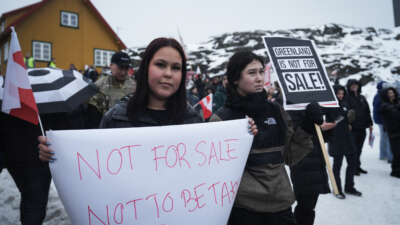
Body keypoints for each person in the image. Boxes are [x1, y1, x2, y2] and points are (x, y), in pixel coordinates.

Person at [210, 51, 317, 225]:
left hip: (281, 206)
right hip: (243, 210)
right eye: (252, 73)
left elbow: (289, 156)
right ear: (236, 78)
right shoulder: (222, 119)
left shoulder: (276, 110)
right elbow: (215, 174)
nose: (259, 78)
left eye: (261, 71)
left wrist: (306, 129)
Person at [327, 85, 361, 199]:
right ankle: (337, 189)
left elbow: (348, 117)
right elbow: (333, 120)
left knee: (352, 162)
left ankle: (349, 187)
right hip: (336, 138)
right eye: (338, 93)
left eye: (342, 93)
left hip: (347, 137)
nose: (340, 95)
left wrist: (350, 120)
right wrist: (344, 116)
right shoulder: (330, 104)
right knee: (337, 165)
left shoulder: (346, 102)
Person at [86, 51, 136, 128]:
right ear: (111, 66)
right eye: (120, 68)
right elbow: (93, 117)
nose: (123, 72)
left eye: (126, 68)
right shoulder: (99, 86)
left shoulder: (134, 85)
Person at [346, 79, 373, 175]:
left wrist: (370, 123)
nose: (354, 87)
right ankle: (353, 168)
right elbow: (345, 112)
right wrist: (348, 123)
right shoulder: (347, 97)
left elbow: (367, 111)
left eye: (356, 85)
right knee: (353, 149)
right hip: (353, 128)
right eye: (352, 85)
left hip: (362, 127)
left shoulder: (362, 97)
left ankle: (357, 166)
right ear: (349, 87)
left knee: (359, 149)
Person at [379, 87, 400, 178]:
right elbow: (393, 113)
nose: (392, 95)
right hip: (393, 132)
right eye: (389, 93)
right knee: (397, 153)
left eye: (393, 93)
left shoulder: (396, 103)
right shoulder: (384, 105)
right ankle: (395, 171)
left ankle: (396, 169)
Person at [373, 81, 393, 162]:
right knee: (386, 137)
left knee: (384, 137)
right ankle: (388, 156)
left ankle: (384, 154)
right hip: (382, 120)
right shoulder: (380, 96)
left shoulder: (380, 95)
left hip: (382, 120)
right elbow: (378, 109)